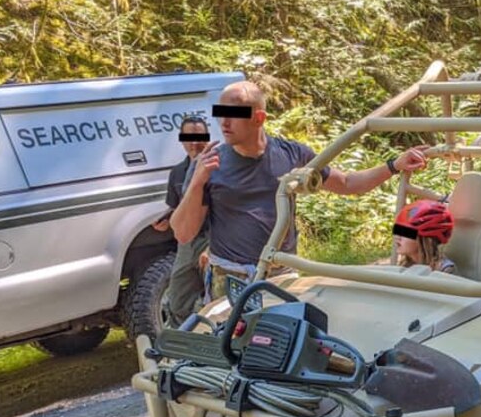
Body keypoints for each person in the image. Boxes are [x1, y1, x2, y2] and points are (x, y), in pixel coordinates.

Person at [170, 80, 431, 300]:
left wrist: (394, 165)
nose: (224, 123)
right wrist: (197, 181)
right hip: (229, 280)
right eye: (220, 113)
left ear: (259, 118)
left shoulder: (292, 154)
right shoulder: (208, 163)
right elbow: (183, 233)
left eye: (234, 115)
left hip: (280, 276)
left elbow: (347, 183)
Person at [155, 115, 211, 326]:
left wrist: (213, 248)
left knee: (218, 296)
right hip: (188, 242)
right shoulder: (177, 173)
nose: (194, 143)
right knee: (177, 301)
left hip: (215, 238)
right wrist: (166, 220)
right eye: (188, 137)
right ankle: (187, 337)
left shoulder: (219, 166)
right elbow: (177, 207)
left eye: (199, 137)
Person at [393, 199, 456, 274]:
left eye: (405, 232)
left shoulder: (445, 270)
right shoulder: (404, 266)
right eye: (397, 230)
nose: (398, 237)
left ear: (426, 239)